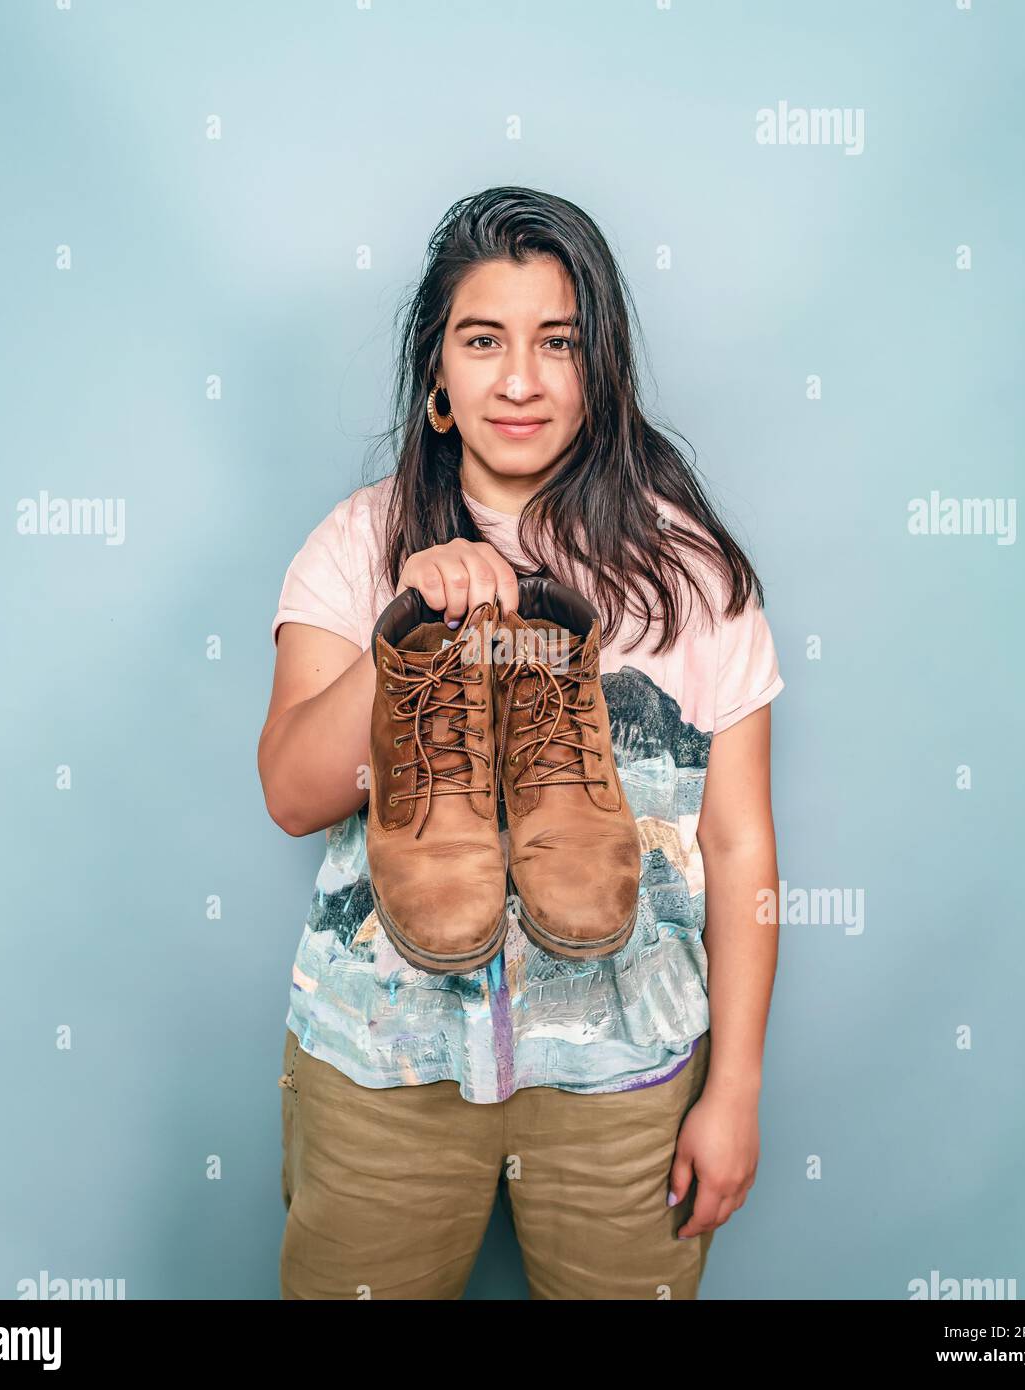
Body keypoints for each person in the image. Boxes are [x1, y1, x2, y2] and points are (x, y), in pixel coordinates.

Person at [257, 186, 784, 1300]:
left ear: (599, 371)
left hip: (625, 1082)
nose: (518, 378)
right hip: (380, 1069)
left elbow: (739, 848)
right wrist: (403, 628)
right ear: (438, 376)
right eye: (482, 339)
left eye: (557, 342)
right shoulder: (357, 544)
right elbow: (296, 793)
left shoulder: (689, 578)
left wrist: (731, 1086)